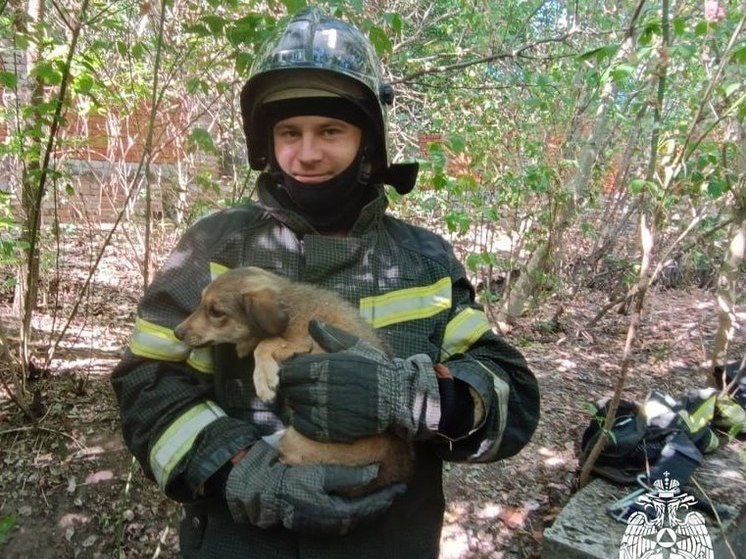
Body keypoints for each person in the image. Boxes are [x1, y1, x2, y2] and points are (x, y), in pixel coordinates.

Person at [111, 7, 540, 559]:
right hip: (242, 540)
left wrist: (415, 399)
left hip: (387, 538)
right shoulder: (215, 247)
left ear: (368, 141)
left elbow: (510, 394)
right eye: (290, 132)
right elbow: (149, 382)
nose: (307, 153)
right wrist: (239, 469)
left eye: (331, 130)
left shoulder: (422, 258)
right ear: (268, 142)